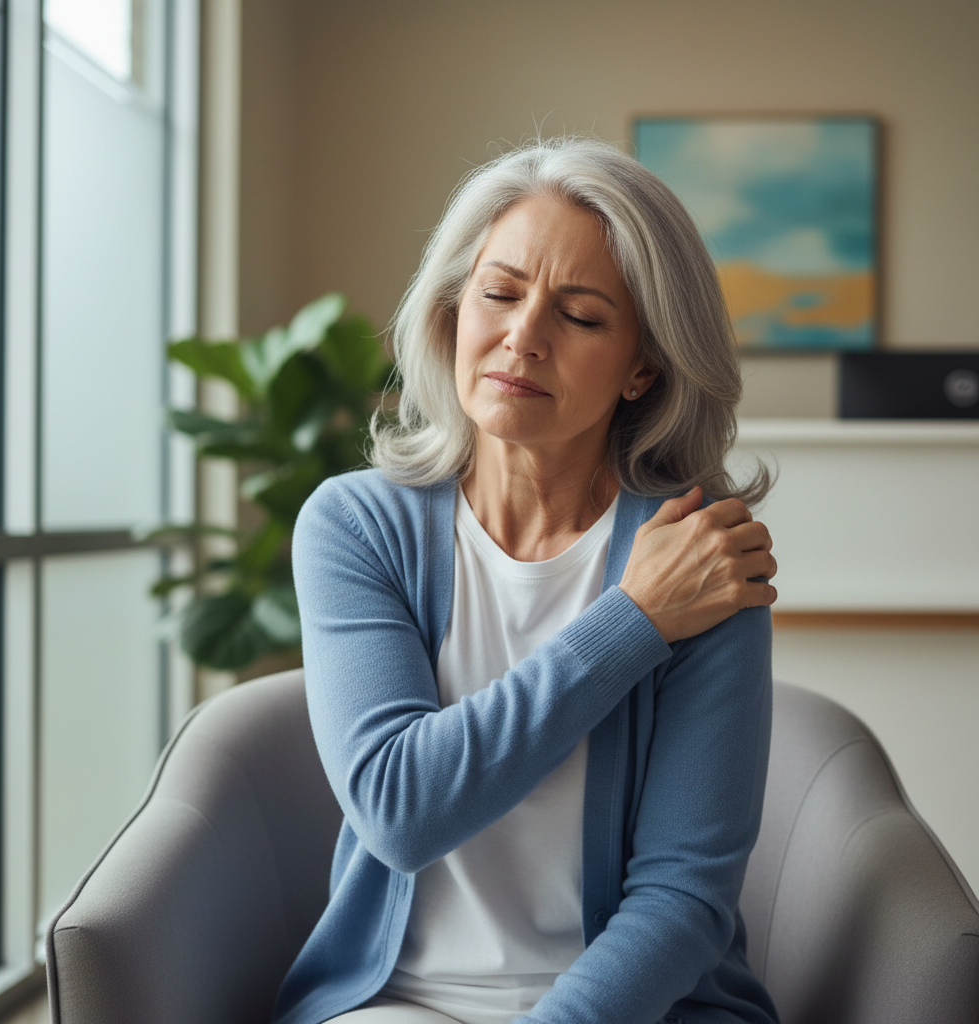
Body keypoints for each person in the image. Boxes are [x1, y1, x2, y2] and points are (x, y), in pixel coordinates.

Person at [274, 137, 780, 1024]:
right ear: (453, 313)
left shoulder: (699, 557)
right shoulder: (356, 525)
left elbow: (683, 899)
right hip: (401, 1001)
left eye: (579, 317)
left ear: (643, 367)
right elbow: (399, 808)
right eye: (500, 294)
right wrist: (632, 621)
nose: (523, 337)